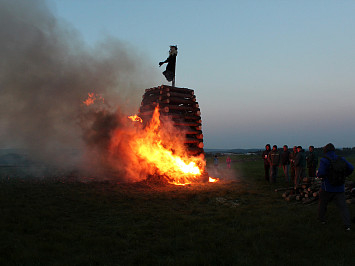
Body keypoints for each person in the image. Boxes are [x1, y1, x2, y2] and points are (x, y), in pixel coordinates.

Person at [317, 143, 353, 231]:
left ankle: (322, 220)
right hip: (340, 188)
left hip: (327, 187)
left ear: (325, 150)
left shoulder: (324, 160)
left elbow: (321, 173)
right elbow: (351, 168)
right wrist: (344, 175)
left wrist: (319, 174)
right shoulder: (341, 159)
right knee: (343, 207)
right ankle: (347, 225)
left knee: (322, 204)